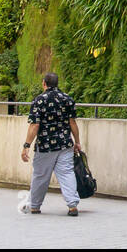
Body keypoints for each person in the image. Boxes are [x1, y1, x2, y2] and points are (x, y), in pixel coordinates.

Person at [21, 71, 82, 216]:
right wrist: (77, 142)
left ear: (44, 83)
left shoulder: (39, 100)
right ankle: (72, 205)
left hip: (45, 146)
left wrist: (26, 145)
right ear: (57, 83)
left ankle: (35, 206)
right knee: (67, 173)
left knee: (40, 176)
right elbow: (72, 122)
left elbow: (34, 125)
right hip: (65, 144)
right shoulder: (67, 99)